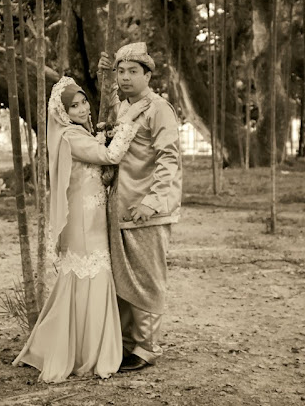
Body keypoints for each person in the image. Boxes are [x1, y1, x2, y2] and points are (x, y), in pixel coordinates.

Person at [12, 76, 150, 383]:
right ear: (63, 112)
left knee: (89, 275)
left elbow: (97, 153)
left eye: (84, 101)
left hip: (91, 216)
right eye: (74, 106)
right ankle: (90, 352)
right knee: (92, 273)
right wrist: (128, 123)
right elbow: (110, 156)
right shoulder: (69, 136)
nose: (83, 109)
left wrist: (105, 134)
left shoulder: (78, 133)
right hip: (84, 222)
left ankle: (83, 346)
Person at [98, 42, 183, 372]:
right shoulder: (124, 107)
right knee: (123, 278)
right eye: (121, 71)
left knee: (146, 277)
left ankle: (146, 347)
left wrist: (153, 200)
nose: (125, 77)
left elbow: (169, 158)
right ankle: (126, 343)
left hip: (147, 209)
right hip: (121, 206)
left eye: (133, 71)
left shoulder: (159, 109)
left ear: (148, 75)